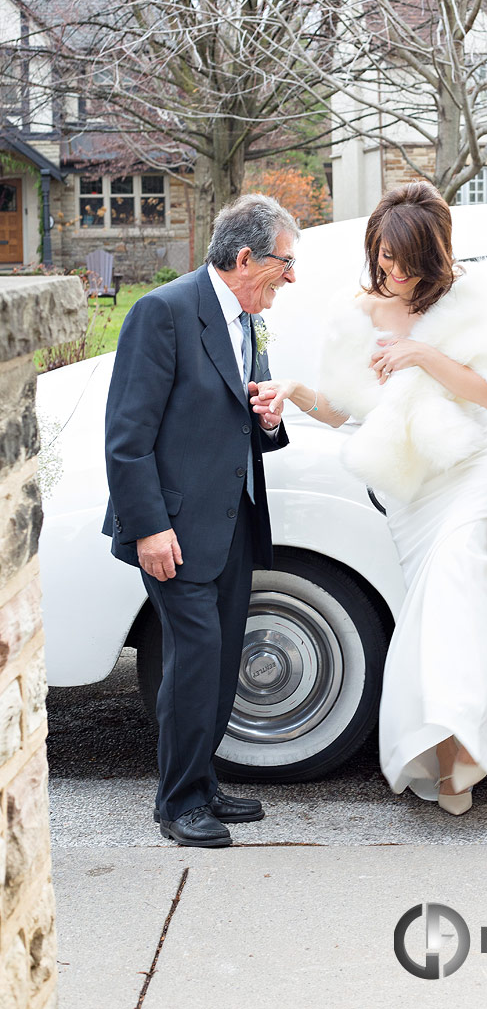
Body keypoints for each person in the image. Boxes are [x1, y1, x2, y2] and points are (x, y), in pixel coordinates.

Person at [251, 181, 487, 815]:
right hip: (409, 486)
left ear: (434, 255)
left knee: (457, 577)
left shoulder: (471, 295)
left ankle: (473, 746)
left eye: (404, 261)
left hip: (473, 462)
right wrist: (292, 390)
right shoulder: (355, 310)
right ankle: (455, 752)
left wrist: (422, 353)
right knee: (437, 610)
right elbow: (343, 411)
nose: (391, 272)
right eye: (382, 257)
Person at [103, 194, 299, 847]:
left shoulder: (248, 317)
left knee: (217, 666)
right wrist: (150, 527)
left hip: (232, 521)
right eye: (284, 263)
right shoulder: (162, 311)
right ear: (245, 258)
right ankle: (178, 804)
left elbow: (239, 417)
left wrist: (268, 419)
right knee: (193, 663)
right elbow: (127, 437)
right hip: (175, 527)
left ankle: (202, 783)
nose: (290, 278)